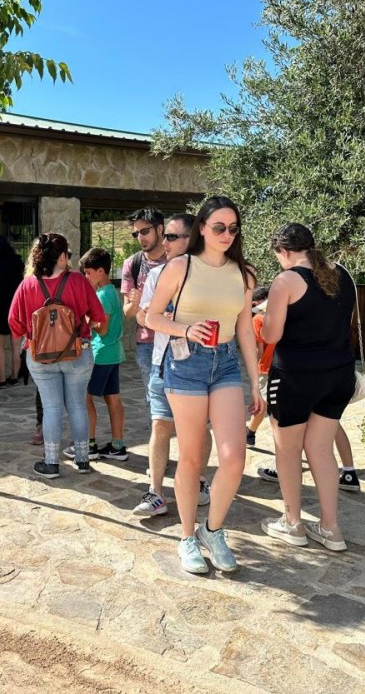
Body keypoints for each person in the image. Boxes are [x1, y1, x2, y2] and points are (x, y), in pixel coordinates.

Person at [146, 196, 262, 574]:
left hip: (225, 363)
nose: (227, 234)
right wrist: (186, 329)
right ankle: (186, 537)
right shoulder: (181, 266)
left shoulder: (244, 274)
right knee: (192, 457)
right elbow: (151, 317)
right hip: (186, 363)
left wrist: (255, 384)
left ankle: (212, 530)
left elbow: (245, 330)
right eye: (219, 227)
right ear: (202, 228)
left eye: (233, 228)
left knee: (234, 457)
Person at [259, 223, 356, 552]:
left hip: (296, 377)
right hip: (338, 374)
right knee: (321, 449)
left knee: (287, 450)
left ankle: (292, 522)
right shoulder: (342, 274)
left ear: (284, 251)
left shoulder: (286, 280)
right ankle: (331, 529)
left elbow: (271, 335)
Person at [8, 233, 105, 479]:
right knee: (77, 405)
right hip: (78, 353)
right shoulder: (78, 281)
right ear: (62, 257)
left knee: (51, 408)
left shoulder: (27, 285)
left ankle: (51, 463)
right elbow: (98, 315)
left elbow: (14, 323)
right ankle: (82, 459)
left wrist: (31, 334)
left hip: (40, 356)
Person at [133, 213, 211, 516]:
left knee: (200, 428)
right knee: (160, 424)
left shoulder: (212, 275)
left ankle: (199, 481)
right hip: (164, 361)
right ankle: (155, 492)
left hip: (202, 363)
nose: (164, 242)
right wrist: (160, 319)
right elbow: (143, 317)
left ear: (192, 239)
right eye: (164, 235)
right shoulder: (157, 275)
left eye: (172, 237)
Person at [78, 247, 127, 460]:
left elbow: (103, 328)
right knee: (113, 399)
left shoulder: (103, 295)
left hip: (101, 354)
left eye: (88, 273)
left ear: (100, 271)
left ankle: (88, 445)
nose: (86, 277)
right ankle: (117, 446)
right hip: (113, 353)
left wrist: (86, 318)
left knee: (84, 398)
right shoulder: (111, 291)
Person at [121, 208, 168, 420]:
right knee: (154, 402)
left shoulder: (176, 260)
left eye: (145, 231)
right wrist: (135, 302)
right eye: (136, 233)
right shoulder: (132, 263)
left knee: (182, 398)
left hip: (176, 340)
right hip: (147, 343)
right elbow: (128, 312)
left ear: (160, 229)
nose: (140, 237)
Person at [0, 235, 25, 388]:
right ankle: (14, 377)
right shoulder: (18, 263)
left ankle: (1, 379)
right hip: (17, 308)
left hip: (2, 309)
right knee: (16, 347)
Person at [246, 285, 273, 446]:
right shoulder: (284, 315)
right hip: (285, 366)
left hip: (265, 368)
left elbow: (258, 350)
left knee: (262, 403)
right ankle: (250, 433)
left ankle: (250, 434)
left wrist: (252, 370)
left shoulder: (257, 320)